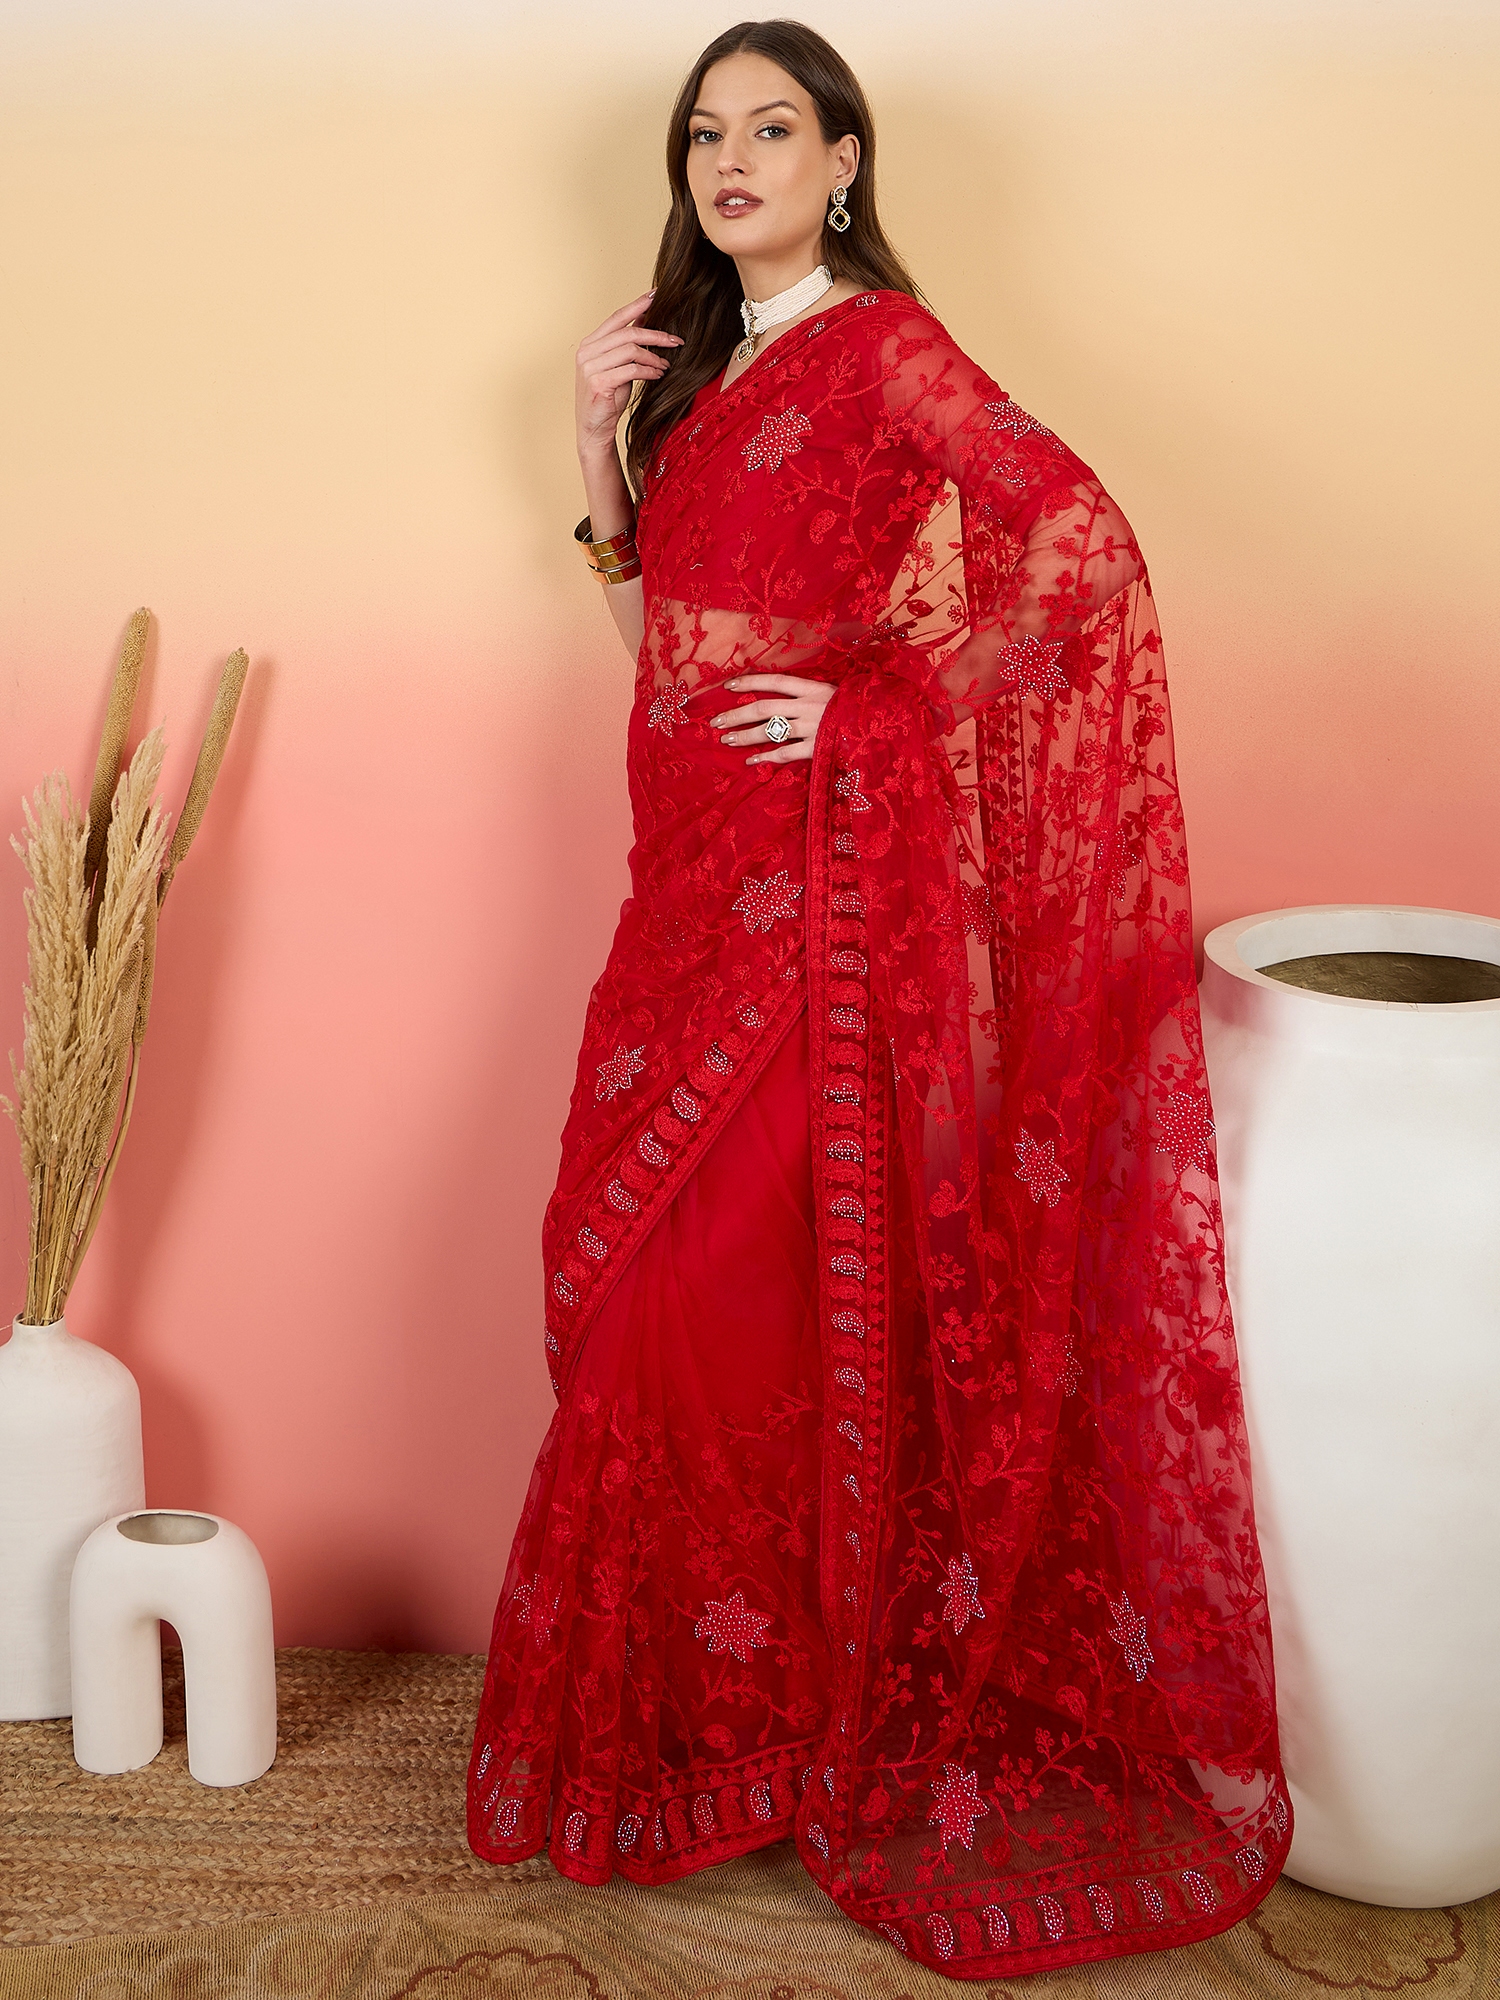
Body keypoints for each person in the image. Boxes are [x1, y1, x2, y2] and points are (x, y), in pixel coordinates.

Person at [467, 18, 1290, 1981]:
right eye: (705, 135)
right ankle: (716, 1735)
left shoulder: (886, 351)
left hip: (808, 916)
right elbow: (663, 652)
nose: (730, 161)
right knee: (653, 1301)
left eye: (773, 128)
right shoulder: (707, 381)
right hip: (679, 905)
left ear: (843, 163)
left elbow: (1080, 550)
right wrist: (590, 454)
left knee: (704, 1305)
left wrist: (883, 713)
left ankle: (789, 1731)